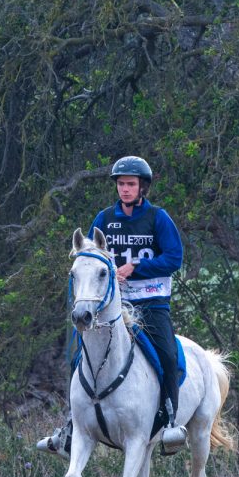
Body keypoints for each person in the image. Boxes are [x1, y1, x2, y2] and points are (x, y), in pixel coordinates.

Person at [37, 155, 187, 457]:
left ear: (142, 187)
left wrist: (135, 267)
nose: (126, 189)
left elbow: (174, 258)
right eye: (121, 184)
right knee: (77, 356)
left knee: (168, 355)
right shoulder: (104, 219)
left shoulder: (158, 218)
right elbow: (89, 257)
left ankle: (170, 421)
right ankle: (70, 426)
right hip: (111, 306)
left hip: (150, 302)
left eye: (131, 184)